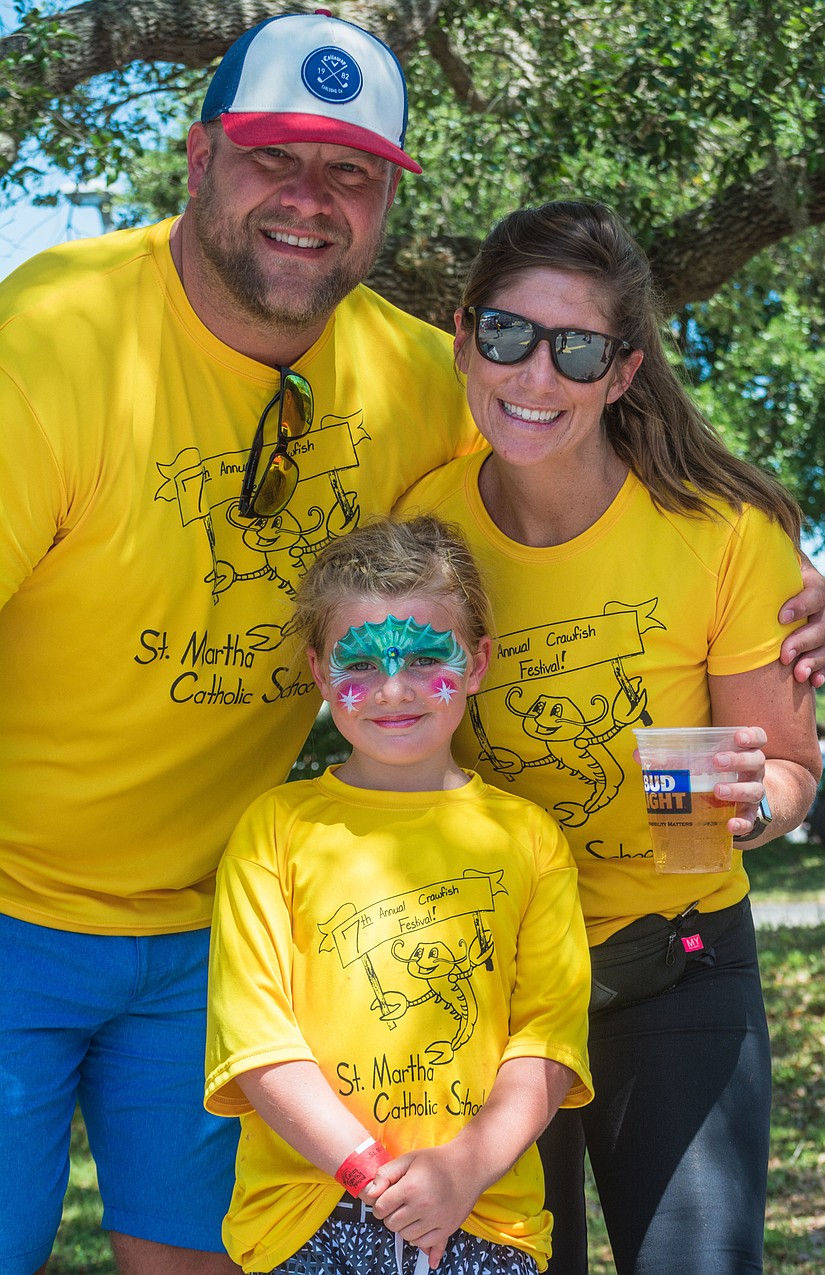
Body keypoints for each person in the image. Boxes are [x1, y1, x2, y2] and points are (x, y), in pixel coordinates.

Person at [0, 7, 825, 1270]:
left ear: (386, 204)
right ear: (197, 157)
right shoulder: (52, 340)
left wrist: (770, 566)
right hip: (28, 919)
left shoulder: (421, 383)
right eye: (275, 156)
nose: (309, 199)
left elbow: (582, 418)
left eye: (350, 172)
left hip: (227, 935)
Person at [396, 199, 824, 1275]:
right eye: (506, 334)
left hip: (676, 968)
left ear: (621, 373)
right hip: (488, 980)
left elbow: (789, 767)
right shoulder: (422, 526)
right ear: (462, 336)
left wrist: (753, 804)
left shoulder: (722, 535)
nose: (534, 377)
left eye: (575, 349)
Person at [204, 515, 593, 1275]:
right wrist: (373, 1176)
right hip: (307, 1218)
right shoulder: (274, 829)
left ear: (477, 662)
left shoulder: (529, 839)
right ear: (320, 673)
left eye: (424, 657)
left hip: (483, 1212)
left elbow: (547, 1040)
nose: (392, 689)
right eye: (361, 663)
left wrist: (460, 1170)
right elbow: (257, 1044)